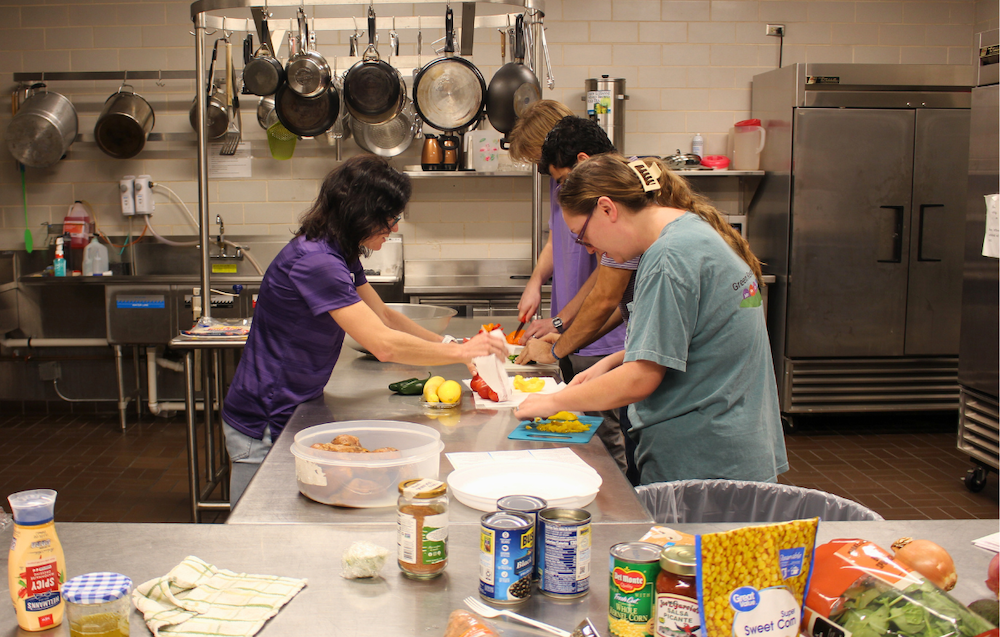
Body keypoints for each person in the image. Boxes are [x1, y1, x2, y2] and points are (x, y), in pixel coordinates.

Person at [222, 155, 508, 502]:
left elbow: (384, 316)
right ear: (361, 213)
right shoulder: (317, 262)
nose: (395, 228)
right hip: (264, 421)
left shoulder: (338, 251)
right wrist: (461, 352)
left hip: (294, 406)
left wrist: (451, 342)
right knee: (256, 529)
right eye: (390, 219)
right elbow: (383, 345)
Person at [514, 154, 788, 485]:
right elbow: (695, 341)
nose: (589, 250)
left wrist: (553, 401)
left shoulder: (668, 258)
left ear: (607, 209)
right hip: (732, 445)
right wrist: (615, 361)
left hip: (704, 460)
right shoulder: (690, 232)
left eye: (583, 236)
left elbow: (640, 379)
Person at [514, 114, 642, 483]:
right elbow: (623, 306)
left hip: (696, 426)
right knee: (624, 453)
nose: (588, 250)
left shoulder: (631, 214)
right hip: (616, 357)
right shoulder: (622, 218)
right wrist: (564, 337)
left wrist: (558, 348)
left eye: (585, 237)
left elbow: (606, 298)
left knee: (617, 450)